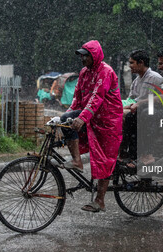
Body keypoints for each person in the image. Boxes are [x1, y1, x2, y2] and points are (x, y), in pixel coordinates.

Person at [60, 40, 123, 212]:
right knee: (65, 119)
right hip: (92, 116)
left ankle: (100, 200)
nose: (82, 59)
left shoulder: (106, 72)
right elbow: (77, 98)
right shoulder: (84, 72)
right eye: (81, 56)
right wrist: (66, 116)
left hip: (108, 122)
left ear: (94, 56)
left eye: (85, 55)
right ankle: (77, 160)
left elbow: (97, 97)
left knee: (105, 160)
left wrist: (82, 117)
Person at [120, 50, 163, 161]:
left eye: (132, 63)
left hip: (150, 112)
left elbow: (156, 101)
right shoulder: (136, 80)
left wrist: (132, 106)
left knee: (126, 116)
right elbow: (131, 98)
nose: (130, 66)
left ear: (141, 63)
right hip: (137, 109)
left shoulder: (155, 78)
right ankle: (122, 150)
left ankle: (130, 152)